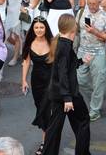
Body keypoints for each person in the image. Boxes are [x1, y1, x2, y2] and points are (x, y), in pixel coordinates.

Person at [42, 14, 91, 155]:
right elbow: (62, 73)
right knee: (83, 121)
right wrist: (67, 98)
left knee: (55, 127)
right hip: (68, 94)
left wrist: (81, 61)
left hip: (58, 94)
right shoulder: (65, 46)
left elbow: (67, 67)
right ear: (72, 28)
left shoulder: (62, 43)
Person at [76, 0, 106, 122]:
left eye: (94, 4)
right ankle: (96, 97)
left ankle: (95, 110)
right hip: (82, 51)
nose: (92, 6)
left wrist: (95, 31)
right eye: (89, 4)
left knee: (99, 82)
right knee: (79, 79)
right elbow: (76, 30)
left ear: (99, 3)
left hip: (98, 52)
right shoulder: (81, 12)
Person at [21, 16, 53, 152]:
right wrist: (23, 80)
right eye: (36, 27)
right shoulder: (29, 43)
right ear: (32, 29)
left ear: (46, 28)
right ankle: (49, 138)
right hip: (37, 82)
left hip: (51, 82)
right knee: (41, 109)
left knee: (46, 112)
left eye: (41, 27)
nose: (39, 30)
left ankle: (45, 143)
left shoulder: (52, 42)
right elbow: (26, 62)